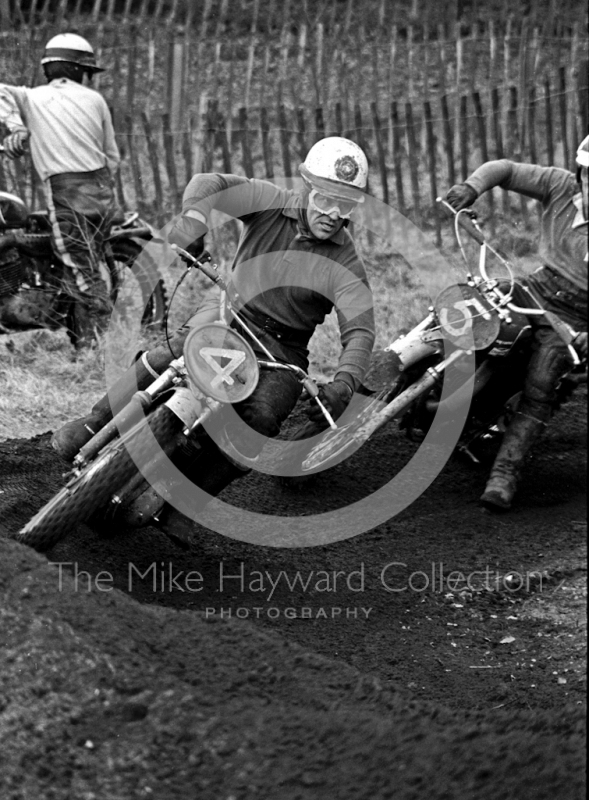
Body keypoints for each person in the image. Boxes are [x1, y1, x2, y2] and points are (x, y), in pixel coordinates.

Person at [52, 136, 376, 533]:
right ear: (307, 187)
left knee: (261, 418)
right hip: (229, 312)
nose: (332, 212)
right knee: (165, 355)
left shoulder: (346, 261)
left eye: (344, 204)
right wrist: (193, 220)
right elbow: (211, 183)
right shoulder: (271, 201)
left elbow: (360, 330)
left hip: (282, 351)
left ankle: (187, 504)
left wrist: (344, 384)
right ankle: (94, 421)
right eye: (324, 198)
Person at [446, 136, 588, 511]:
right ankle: (397, 368)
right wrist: (471, 187)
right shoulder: (559, 185)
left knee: (542, 381)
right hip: (534, 287)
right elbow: (505, 170)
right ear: (581, 172)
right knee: (466, 304)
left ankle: (503, 476)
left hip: (573, 319)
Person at [0, 33, 120, 348]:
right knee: (83, 262)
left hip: (68, 191)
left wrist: (16, 127)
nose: (89, 79)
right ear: (79, 70)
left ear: (51, 68)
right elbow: (113, 155)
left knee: (82, 271)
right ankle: (71, 325)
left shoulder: (34, 97)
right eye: (89, 72)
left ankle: (97, 349)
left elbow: (1, 92)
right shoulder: (95, 100)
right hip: (103, 189)